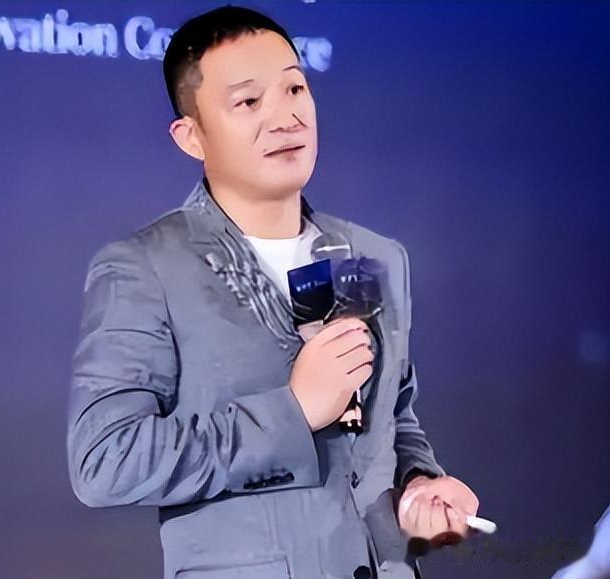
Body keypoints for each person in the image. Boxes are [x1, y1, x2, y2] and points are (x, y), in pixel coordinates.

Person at [66, 5, 480, 578]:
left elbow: (392, 417)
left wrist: (420, 485)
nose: (285, 117)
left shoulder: (375, 255)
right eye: (248, 102)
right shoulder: (144, 268)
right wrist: (292, 411)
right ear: (192, 137)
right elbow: (105, 460)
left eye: (294, 89)